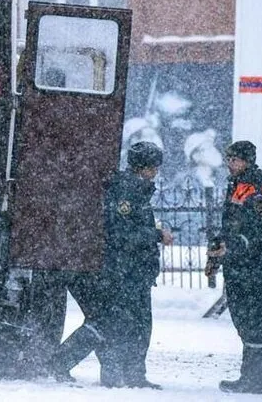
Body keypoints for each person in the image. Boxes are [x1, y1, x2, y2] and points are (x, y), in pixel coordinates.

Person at [48, 141, 172, 388]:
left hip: (134, 271)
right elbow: (120, 233)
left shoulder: (135, 188)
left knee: (136, 325)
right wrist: (156, 235)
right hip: (123, 271)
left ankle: (131, 374)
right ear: (144, 167)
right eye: (154, 166)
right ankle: (61, 362)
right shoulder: (127, 191)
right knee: (108, 322)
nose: (156, 171)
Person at [205, 140, 262, 394]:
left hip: (253, 265)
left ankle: (253, 379)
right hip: (237, 265)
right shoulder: (234, 184)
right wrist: (217, 253)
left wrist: (234, 246)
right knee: (246, 321)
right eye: (228, 159)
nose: (229, 164)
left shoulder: (261, 186)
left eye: (234, 159)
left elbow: (259, 229)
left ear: (247, 160)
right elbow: (230, 224)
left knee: (251, 322)